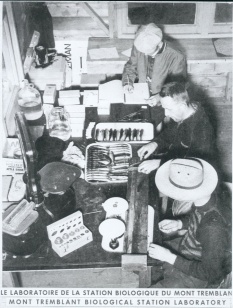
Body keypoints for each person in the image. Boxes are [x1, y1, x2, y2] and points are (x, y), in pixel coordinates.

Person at [149, 158, 231, 288]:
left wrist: (169, 257)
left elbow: (211, 273)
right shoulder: (205, 199)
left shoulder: (212, 227)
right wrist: (180, 223)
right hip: (189, 248)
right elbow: (197, 218)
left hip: (200, 273)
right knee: (147, 248)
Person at [137, 82, 216, 175]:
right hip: (174, 160)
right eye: (164, 108)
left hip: (193, 173)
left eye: (169, 109)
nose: (166, 114)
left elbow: (192, 164)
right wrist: (155, 143)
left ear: (182, 106)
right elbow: (170, 133)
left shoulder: (202, 130)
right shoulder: (181, 113)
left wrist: (159, 162)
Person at [122, 23, 187, 129]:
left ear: (159, 44)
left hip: (162, 98)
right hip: (141, 93)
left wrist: (159, 97)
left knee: (156, 124)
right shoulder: (140, 45)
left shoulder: (176, 56)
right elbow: (131, 66)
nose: (144, 55)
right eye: (142, 52)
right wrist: (128, 83)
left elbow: (177, 86)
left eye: (148, 52)